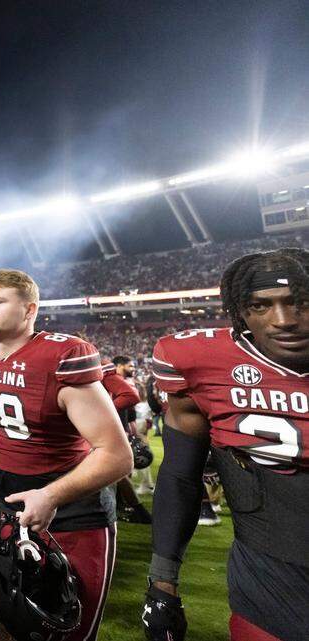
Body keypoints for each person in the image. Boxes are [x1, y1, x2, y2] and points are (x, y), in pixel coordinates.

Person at [0, 269, 132, 641]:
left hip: (75, 511)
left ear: (29, 310)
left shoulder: (60, 356)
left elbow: (116, 455)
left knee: (70, 626)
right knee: (21, 621)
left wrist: (51, 495)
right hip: (14, 505)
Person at [144, 248, 309, 641]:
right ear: (241, 313)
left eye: (299, 303)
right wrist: (162, 583)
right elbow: (180, 475)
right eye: (261, 306)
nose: (283, 321)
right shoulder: (198, 362)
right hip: (266, 583)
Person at [103, 355, 152, 524]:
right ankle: (132, 508)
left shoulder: (107, 375)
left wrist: (103, 413)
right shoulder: (114, 378)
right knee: (119, 474)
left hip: (108, 431)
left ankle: (130, 509)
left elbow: (130, 402)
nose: (133, 369)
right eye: (129, 366)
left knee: (115, 474)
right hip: (115, 429)